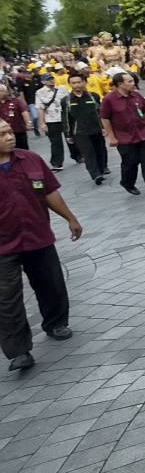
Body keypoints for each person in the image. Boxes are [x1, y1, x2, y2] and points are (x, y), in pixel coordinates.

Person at [0, 120, 82, 372]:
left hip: (37, 236)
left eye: (9, 132)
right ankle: (19, 351)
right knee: (6, 299)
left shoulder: (31, 159)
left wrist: (70, 218)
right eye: (2, 134)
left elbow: (49, 192)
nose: (10, 137)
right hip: (3, 246)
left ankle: (56, 323)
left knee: (51, 284)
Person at [100, 72, 145, 196]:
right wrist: (111, 137)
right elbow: (105, 118)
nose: (133, 83)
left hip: (143, 134)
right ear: (120, 84)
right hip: (125, 137)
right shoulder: (109, 99)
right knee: (130, 163)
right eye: (130, 81)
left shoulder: (136, 95)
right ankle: (127, 183)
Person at [62, 72, 108, 185]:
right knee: (88, 153)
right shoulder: (66, 100)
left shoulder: (93, 96)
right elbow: (66, 118)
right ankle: (95, 174)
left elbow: (100, 113)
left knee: (100, 151)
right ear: (69, 84)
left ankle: (101, 169)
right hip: (79, 132)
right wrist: (68, 135)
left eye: (79, 82)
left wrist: (104, 127)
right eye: (73, 83)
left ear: (84, 82)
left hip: (96, 129)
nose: (76, 85)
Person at [34, 74, 70, 171]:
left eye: (51, 78)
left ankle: (78, 155)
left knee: (71, 138)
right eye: (48, 79)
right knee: (55, 142)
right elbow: (40, 108)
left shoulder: (62, 89)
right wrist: (41, 123)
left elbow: (69, 101)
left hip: (65, 118)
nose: (51, 81)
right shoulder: (40, 92)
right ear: (43, 82)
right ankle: (57, 163)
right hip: (51, 119)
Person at [0, 83, 31, 151]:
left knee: (23, 150)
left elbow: (24, 111)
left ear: (7, 92)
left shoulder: (16, 101)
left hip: (18, 130)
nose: (1, 92)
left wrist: (28, 122)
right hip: (3, 133)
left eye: (2, 91)